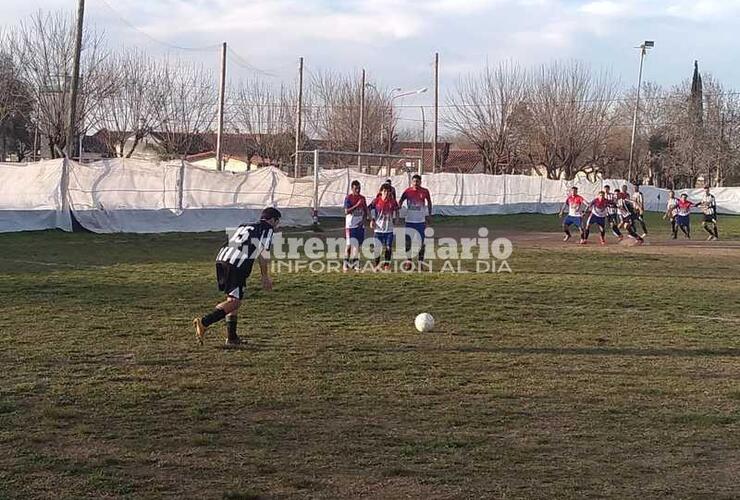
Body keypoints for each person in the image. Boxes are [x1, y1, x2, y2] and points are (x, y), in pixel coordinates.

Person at [193, 207, 281, 347]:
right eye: (277, 222)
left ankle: (232, 338)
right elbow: (264, 253)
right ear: (272, 220)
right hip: (236, 264)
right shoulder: (267, 229)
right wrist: (265, 276)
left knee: (232, 299)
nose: (277, 226)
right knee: (235, 302)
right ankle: (204, 322)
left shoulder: (245, 225)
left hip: (222, 259)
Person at [398, 174, 433, 267]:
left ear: (420, 182)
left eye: (417, 181)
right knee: (408, 242)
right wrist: (399, 205)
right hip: (409, 221)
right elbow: (401, 200)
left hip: (420, 221)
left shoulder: (425, 191)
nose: (415, 183)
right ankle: (408, 261)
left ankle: (420, 262)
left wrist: (429, 214)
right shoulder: (407, 191)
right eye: (414, 181)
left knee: (421, 242)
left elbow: (429, 202)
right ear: (411, 182)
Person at [369, 184, 399, 270]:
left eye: (388, 191)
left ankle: (386, 265)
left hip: (388, 229)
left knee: (388, 247)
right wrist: (372, 220)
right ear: (381, 191)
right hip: (378, 230)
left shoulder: (393, 201)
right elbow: (368, 209)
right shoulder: (376, 201)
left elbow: (397, 210)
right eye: (384, 191)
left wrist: (397, 218)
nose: (386, 193)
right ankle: (377, 265)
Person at [343, 180, 368, 271]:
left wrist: (363, 221)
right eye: (356, 188)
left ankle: (355, 263)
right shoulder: (348, 198)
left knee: (357, 246)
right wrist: (356, 205)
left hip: (359, 226)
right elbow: (346, 211)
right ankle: (345, 263)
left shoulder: (362, 198)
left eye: (359, 188)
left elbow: (366, 211)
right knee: (349, 245)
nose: (358, 190)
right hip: (350, 226)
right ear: (352, 189)